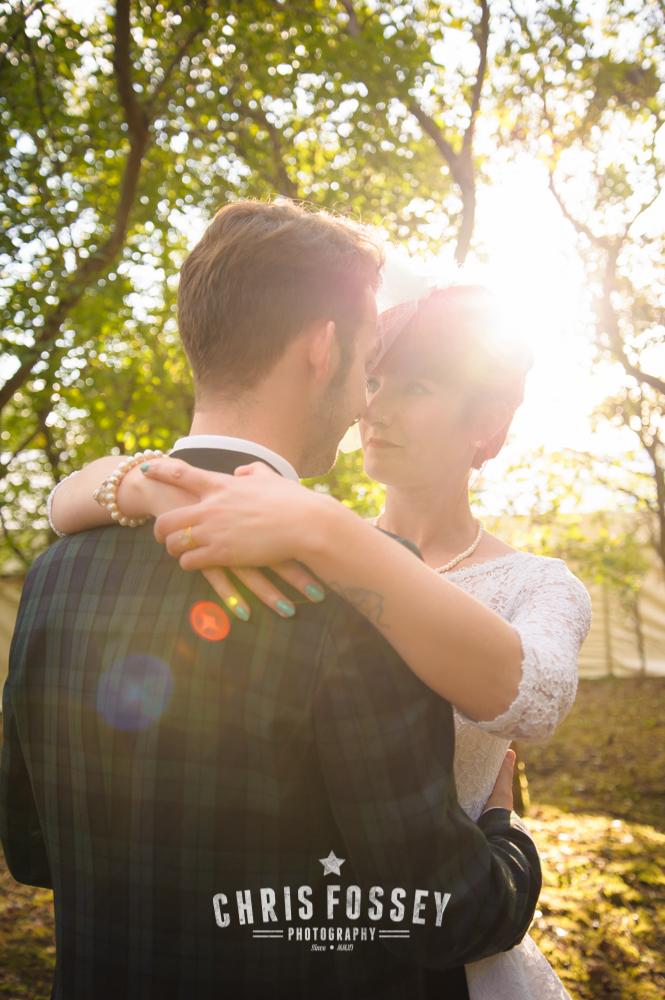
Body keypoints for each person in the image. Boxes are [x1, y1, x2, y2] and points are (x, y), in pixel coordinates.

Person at [0, 200, 543, 1000]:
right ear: (324, 347)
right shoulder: (356, 588)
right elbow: (443, 914)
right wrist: (505, 836)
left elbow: (32, 849)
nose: (368, 399)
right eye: (367, 362)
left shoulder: (55, 571)